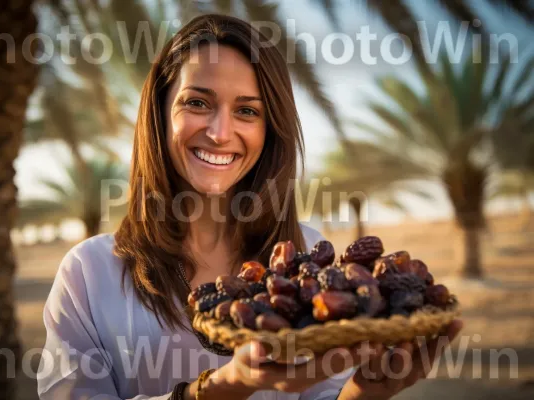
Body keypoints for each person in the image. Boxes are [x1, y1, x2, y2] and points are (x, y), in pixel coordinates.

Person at [37, 13, 462, 400]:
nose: (221, 133)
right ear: (160, 113)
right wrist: (225, 387)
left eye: (246, 111)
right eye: (197, 103)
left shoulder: (307, 258)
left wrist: (365, 391)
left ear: (270, 128)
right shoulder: (88, 274)